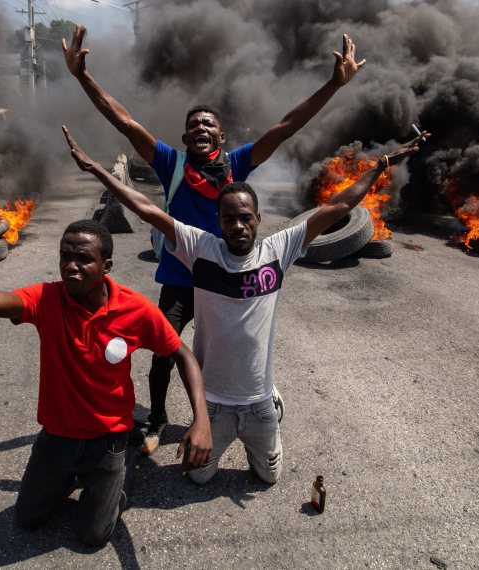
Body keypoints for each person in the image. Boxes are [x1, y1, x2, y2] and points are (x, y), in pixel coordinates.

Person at [62, 25, 366, 455]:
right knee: (162, 351)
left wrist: (334, 84)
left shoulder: (238, 164)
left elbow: (285, 127)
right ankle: (159, 420)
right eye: (193, 125)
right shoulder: (171, 162)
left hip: (228, 278)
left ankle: (257, 398)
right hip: (183, 278)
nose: (201, 127)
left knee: (239, 347)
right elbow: (125, 121)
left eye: (209, 123)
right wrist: (81, 77)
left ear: (221, 138)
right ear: (186, 138)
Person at [63, 124, 425, 486]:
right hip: (213, 405)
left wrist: (382, 165)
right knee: (198, 477)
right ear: (218, 223)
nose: (238, 225)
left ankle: (273, 406)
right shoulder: (200, 248)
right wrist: (96, 169)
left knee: (269, 477)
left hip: (259, 403)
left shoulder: (278, 250)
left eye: (245, 217)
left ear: (258, 220)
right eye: (229, 219)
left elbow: (341, 205)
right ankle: (215, 429)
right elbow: (144, 207)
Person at [0, 221, 212, 547]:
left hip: (108, 439)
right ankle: (74, 475)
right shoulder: (47, 298)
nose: (70, 265)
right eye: (64, 256)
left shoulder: (135, 309)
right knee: (28, 517)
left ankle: (126, 464)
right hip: (57, 437)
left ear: (106, 266)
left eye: (82, 258)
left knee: (93, 536)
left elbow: (182, 353)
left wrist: (202, 419)